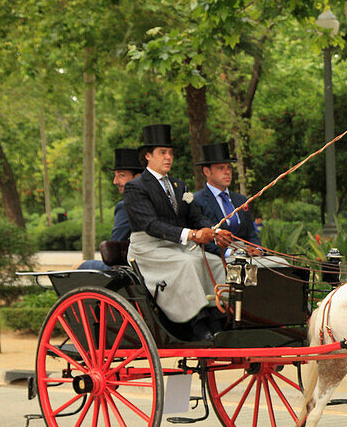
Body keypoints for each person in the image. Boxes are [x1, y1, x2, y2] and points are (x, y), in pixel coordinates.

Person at [123, 124, 233, 340]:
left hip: (176, 246)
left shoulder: (178, 185)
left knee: (213, 262)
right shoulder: (136, 187)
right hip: (147, 249)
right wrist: (192, 235)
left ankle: (219, 317)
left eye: (170, 153)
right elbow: (151, 225)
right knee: (188, 263)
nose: (168, 158)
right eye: (162, 153)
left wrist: (214, 231)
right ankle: (199, 325)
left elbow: (195, 217)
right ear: (148, 156)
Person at [77, 147, 144, 271]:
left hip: (132, 269)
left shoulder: (126, 206)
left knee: (80, 265)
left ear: (137, 177)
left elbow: (113, 251)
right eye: (115, 175)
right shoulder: (158, 201)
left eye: (121, 175)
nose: (115, 181)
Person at [192, 142, 262, 258]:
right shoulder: (197, 201)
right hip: (216, 257)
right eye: (221, 168)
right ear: (207, 171)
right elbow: (201, 240)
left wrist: (258, 249)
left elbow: (251, 234)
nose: (227, 172)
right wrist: (229, 253)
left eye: (229, 167)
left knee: (280, 265)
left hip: (248, 257)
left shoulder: (241, 200)